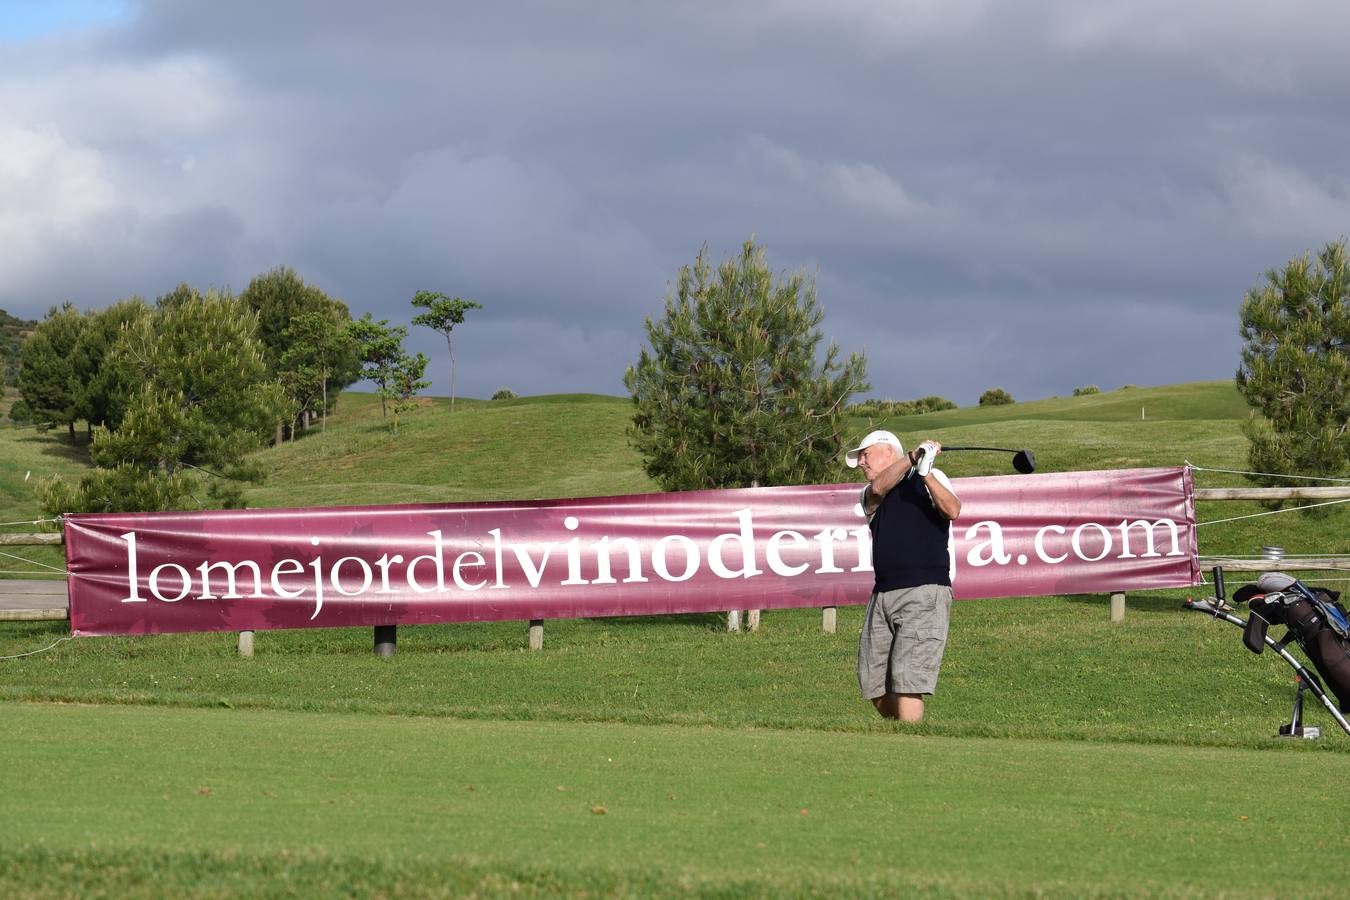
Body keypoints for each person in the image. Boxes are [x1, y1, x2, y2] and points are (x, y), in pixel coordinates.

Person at [844, 429, 962, 723]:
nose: (861, 463)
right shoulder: (870, 492)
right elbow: (880, 490)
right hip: (883, 594)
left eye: (865, 455)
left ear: (888, 451)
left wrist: (926, 474)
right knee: (872, 683)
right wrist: (912, 458)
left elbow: (953, 510)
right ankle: (905, 736)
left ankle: (912, 750)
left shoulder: (932, 478)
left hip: (925, 590)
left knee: (909, 682)